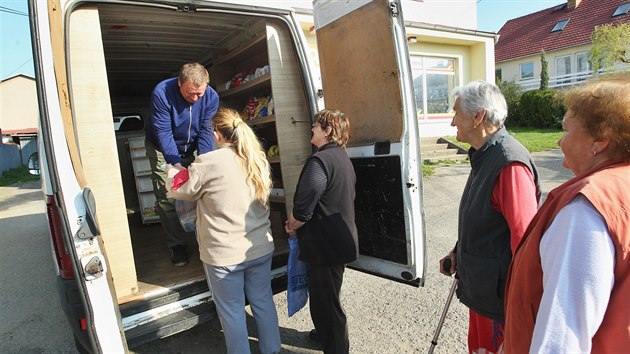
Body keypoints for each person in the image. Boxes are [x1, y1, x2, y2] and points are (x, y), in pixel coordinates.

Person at [504, 74, 630, 353]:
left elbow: (562, 337)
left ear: (601, 139)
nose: (560, 141)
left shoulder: (585, 207)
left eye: (566, 130)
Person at [165, 108, 281, 354]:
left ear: (217, 134)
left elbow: (180, 191)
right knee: (263, 302)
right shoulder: (256, 158)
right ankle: (272, 350)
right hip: (260, 247)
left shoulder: (208, 162)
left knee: (232, 312)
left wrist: (172, 174)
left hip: (224, 255)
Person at [438, 80, 541, 354]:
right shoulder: (485, 154)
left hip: (501, 303)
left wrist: (519, 312)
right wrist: (458, 251)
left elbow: (524, 242)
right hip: (484, 290)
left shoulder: (508, 163)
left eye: (456, 113)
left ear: (478, 116)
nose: (452, 122)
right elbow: (485, 221)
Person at [285, 109, 358, 354]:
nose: (312, 129)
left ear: (327, 131)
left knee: (327, 302)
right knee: (324, 294)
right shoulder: (341, 157)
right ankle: (324, 333)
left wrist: (293, 223)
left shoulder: (320, 161)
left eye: (316, 126)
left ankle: (337, 347)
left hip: (326, 246)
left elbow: (307, 200)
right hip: (337, 241)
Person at [145, 62, 219, 266]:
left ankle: (204, 238)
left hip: (193, 144)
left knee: (203, 189)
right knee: (168, 195)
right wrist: (175, 165)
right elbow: (163, 131)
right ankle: (176, 244)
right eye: (190, 93)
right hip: (162, 147)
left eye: (199, 94)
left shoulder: (211, 97)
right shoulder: (162, 92)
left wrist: (204, 162)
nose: (195, 99)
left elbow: (206, 130)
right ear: (179, 84)